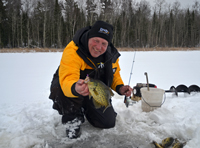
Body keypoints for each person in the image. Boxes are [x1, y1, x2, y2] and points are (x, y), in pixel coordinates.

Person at [49, 20, 132, 139]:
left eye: (104, 43)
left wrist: (120, 87)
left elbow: (114, 75)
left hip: (94, 90)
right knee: (61, 88)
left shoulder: (111, 55)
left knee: (107, 122)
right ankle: (73, 118)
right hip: (72, 88)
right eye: (96, 41)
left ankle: (86, 107)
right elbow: (68, 78)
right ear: (89, 37)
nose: (99, 47)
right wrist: (75, 88)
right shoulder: (73, 50)